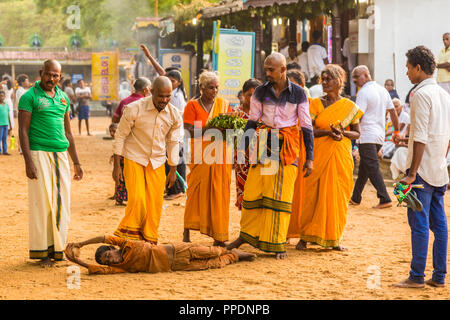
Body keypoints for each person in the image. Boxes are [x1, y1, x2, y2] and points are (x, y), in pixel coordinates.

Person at [227, 53, 314, 259]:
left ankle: (277, 244)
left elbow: (306, 126)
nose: (267, 73)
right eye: (265, 69)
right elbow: (252, 122)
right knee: (253, 192)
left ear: (283, 69)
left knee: (281, 197)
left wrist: (309, 158)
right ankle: (246, 236)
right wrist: (242, 151)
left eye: (271, 70)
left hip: (287, 146)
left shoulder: (299, 93)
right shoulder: (260, 92)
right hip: (263, 142)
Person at [394, 46, 450, 289]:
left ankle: (417, 275)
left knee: (418, 224)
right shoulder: (445, 96)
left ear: (418, 68)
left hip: (422, 173)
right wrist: (441, 160)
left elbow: (421, 137)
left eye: (408, 68)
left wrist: (412, 173)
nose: (407, 73)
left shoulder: (420, 95)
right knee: (439, 226)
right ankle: (439, 276)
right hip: (438, 169)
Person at [18, 59, 83, 267]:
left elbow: (69, 133)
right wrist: (28, 161)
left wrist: (77, 162)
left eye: (56, 76)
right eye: (49, 74)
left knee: (62, 203)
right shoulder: (29, 97)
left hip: (61, 155)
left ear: (60, 77)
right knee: (42, 203)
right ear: (41, 73)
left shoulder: (63, 98)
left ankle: (58, 250)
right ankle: (42, 253)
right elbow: (23, 131)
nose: (52, 79)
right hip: (39, 154)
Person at [292, 64, 363, 251]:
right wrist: (327, 133)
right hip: (318, 155)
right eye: (322, 79)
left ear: (339, 81)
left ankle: (334, 238)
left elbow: (357, 133)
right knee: (311, 196)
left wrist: (342, 134)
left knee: (337, 196)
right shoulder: (315, 103)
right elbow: (308, 130)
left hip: (340, 156)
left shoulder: (349, 106)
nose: (324, 83)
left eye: (328, 79)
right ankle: (305, 237)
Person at [113, 76, 182, 244]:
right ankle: (127, 239)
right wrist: (117, 166)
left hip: (157, 162)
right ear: (151, 92)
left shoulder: (174, 115)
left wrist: (173, 171)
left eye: (168, 96)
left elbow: (173, 143)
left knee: (154, 205)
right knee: (137, 200)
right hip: (134, 158)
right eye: (160, 96)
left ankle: (148, 241)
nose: (164, 100)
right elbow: (120, 135)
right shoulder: (133, 108)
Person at [183, 71, 232, 247]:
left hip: (220, 156)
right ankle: (187, 230)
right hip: (200, 156)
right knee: (195, 192)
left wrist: (223, 132)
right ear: (202, 88)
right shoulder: (192, 106)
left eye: (217, 87)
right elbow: (188, 130)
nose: (215, 90)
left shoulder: (224, 105)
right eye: (211, 87)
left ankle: (219, 236)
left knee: (220, 193)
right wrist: (210, 130)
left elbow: (231, 128)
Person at [64, 235, 256, 275]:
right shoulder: (121, 267)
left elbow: (104, 237)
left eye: (109, 255)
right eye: (108, 261)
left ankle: (231, 250)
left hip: (179, 249)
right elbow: (98, 270)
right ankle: (235, 256)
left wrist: (81, 243)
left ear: (112, 249)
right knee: (214, 264)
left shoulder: (126, 245)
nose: (111, 259)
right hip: (176, 266)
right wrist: (77, 261)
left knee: (214, 251)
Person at [140, 45, 188, 201]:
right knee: (172, 160)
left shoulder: (176, 95)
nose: (169, 82)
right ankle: (172, 188)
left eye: (172, 81)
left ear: (178, 82)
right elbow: (161, 73)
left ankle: (177, 189)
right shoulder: (171, 91)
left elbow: (177, 118)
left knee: (175, 160)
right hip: (171, 131)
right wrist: (148, 56)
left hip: (176, 131)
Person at [350, 65, 400, 209]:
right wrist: (396, 132)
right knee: (365, 169)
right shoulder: (383, 90)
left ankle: (384, 198)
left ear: (366, 75)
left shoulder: (364, 92)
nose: (354, 80)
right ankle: (355, 197)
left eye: (356, 76)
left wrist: (348, 129)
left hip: (367, 135)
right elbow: (393, 112)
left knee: (371, 167)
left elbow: (357, 116)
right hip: (378, 135)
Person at [111, 77, 152, 206]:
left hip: (122, 142)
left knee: (121, 169)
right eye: (149, 89)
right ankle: (134, 196)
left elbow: (115, 119)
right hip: (138, 144)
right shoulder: (145, 103)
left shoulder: (124, 101)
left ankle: (119, 196)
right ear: (145, 90)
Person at [234, 78, 261, 210]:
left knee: (258, 190)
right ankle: (245, 223)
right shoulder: (236, 114)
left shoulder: (264, 115)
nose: (253, 98)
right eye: (250, 95)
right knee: (243, 188)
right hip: (241, 158)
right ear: (243, 95)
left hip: (259, 157)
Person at [0, 90, 11, 155]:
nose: (2, 97)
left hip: (6, 124)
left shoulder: (6, 105)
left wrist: (10, 125)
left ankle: (5, 151)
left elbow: (8, 115)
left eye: (3, 96)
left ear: (5, 97)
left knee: (4, 138)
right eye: (0, 96)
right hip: (0, 124)